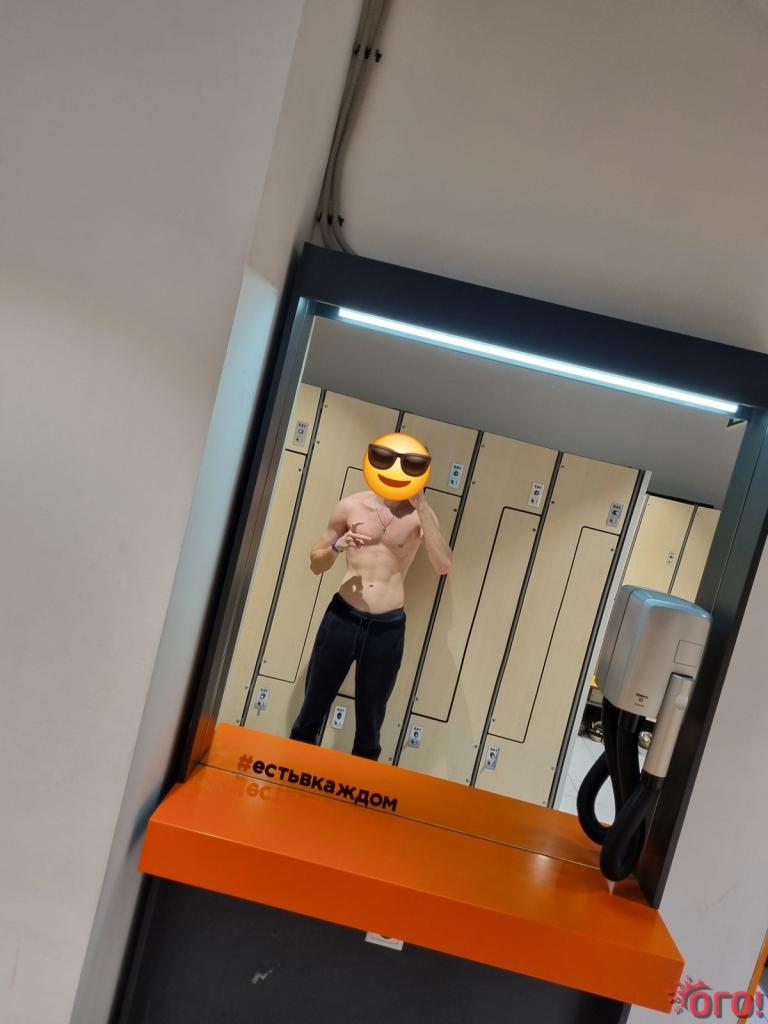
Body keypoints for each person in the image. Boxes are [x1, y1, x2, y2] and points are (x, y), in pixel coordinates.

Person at [289, 487, 452, 759]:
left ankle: (359, 783)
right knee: (312, 709)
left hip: (386, 629)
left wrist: (422, 506)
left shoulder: (419, 515)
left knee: (370, 724)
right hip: (342, 618)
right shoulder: (350, 506)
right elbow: (316, 565)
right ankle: (292, 773)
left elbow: (443, 564)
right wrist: (336, 548)